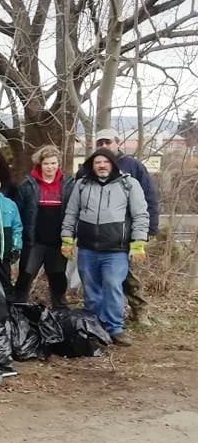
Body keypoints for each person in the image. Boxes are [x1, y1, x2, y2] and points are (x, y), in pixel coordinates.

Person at [61, 148, 149, 346]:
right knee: (91, 288)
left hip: (116, 249)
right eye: (97, 162)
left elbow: (140, 215)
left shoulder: (129, 184)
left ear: (113, 164)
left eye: (106, 162)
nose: (102, 165)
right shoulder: (82, 185)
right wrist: (67, 238)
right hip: (87, 248)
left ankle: (114, 328)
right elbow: (71, 213)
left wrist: (138, 243)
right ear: (92, 166)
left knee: (112, 285)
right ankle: (94, 326)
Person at [80, 129, 161, 326]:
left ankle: (139, 310)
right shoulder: (88, 168)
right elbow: (77, 200)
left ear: (118, 142)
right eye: (100, 143)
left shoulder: (132, 166)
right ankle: (97, 319)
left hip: (127, 233)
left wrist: (149, 230)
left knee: (128, 276)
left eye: (108, 142)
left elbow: (148, 198)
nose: (104, 146)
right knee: (99, 279)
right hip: (95, 237)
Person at [13, 145, 75, 306]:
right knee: (25, 277)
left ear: (58, 164)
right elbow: (17, 213)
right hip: (34, 242)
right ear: (40, 164)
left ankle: (60, 313)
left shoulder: (69, 184)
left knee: (58, 280)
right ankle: (17, 310)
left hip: (57, 242)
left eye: (53, 163)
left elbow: (74, 211)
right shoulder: (27, 185)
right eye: (46, 163)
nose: (50, 167)